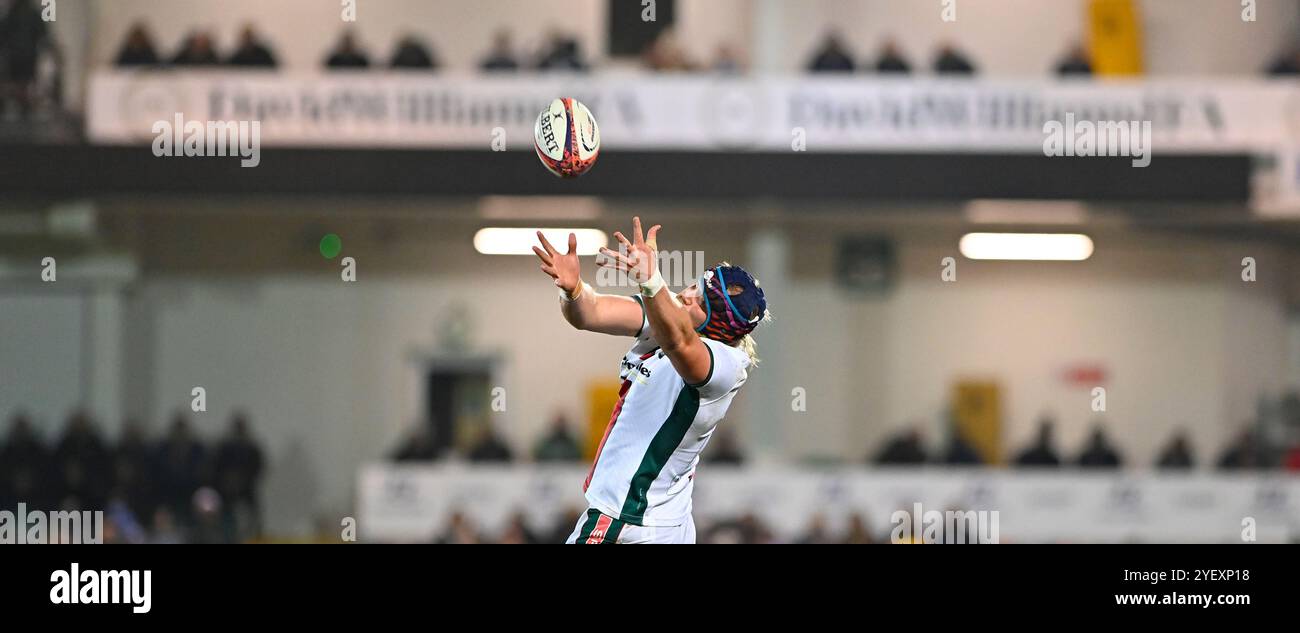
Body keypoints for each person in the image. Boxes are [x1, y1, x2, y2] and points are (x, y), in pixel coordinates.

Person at [535, 217, 769, 544]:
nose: (687, 297)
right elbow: (591, 313)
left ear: (718, 327)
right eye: (693, 287)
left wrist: (651, 280)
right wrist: (573, 289)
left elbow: (680, 344)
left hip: (628, 516)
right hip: (664, 519)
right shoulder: (669, 314)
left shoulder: (727, 365)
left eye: (700, 301)